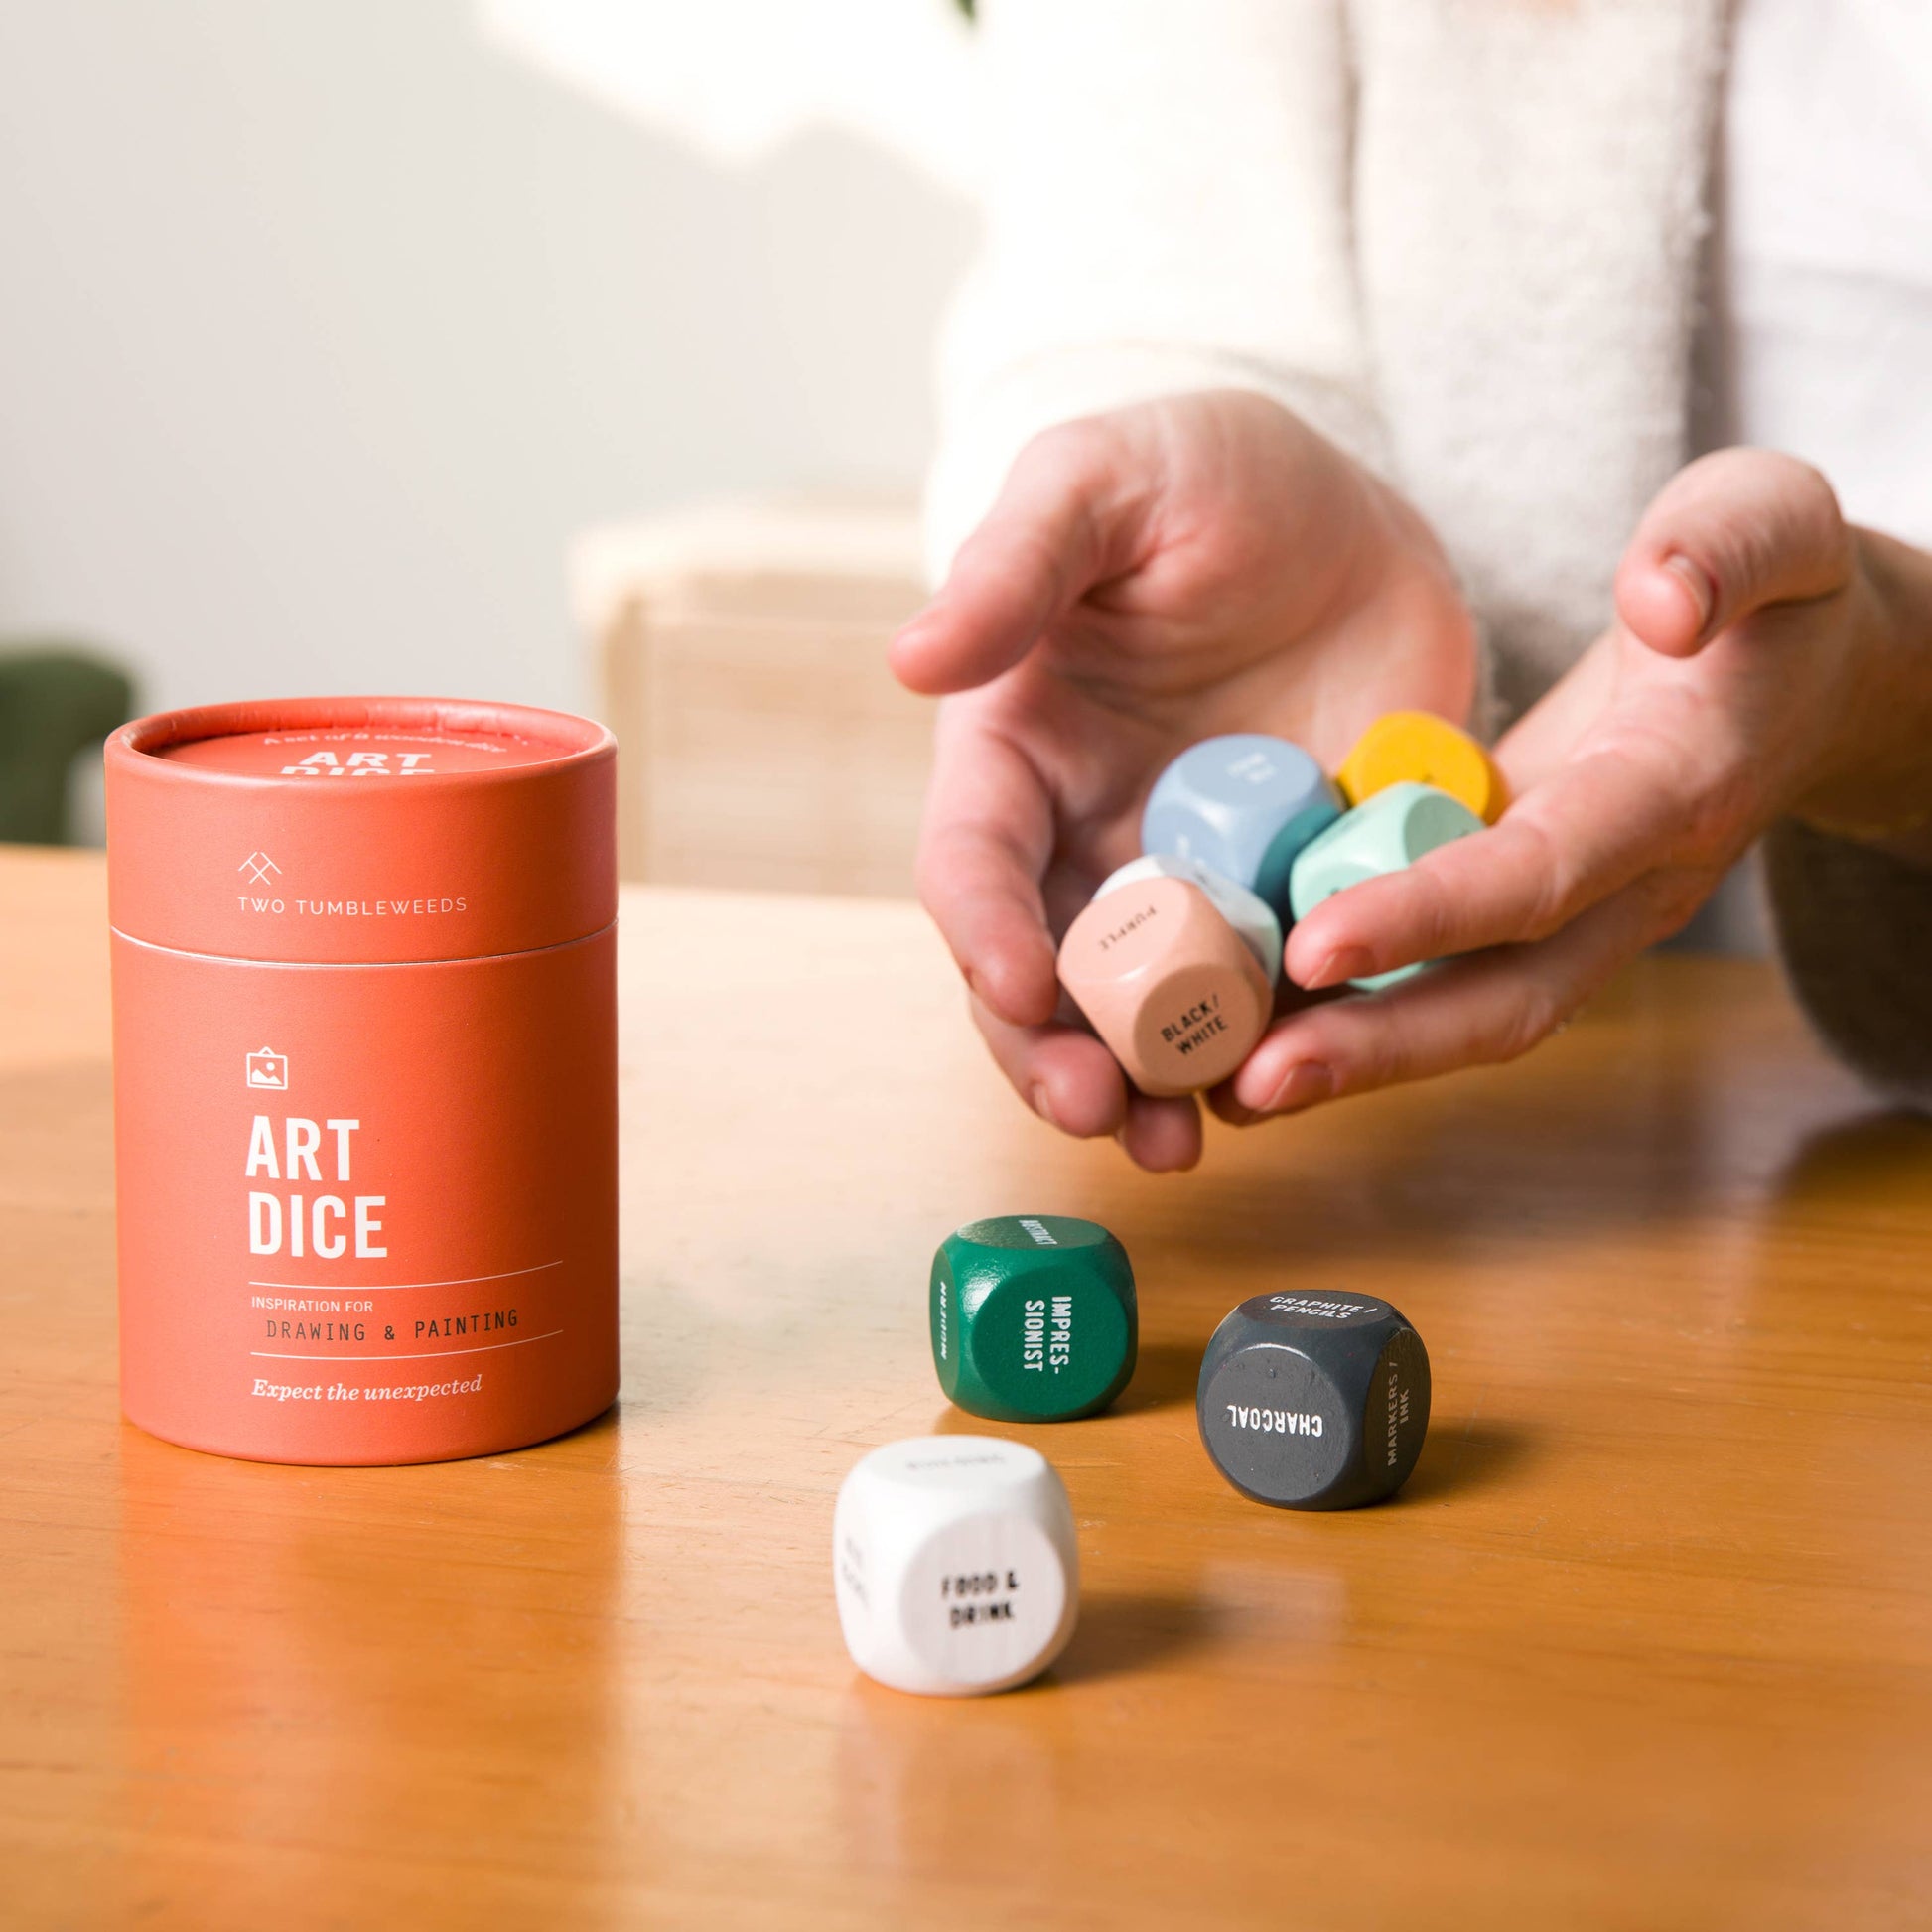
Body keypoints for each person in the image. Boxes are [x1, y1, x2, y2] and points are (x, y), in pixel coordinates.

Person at [891, 0, 1932, 1172]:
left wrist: (1897, 696)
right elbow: (1133, 232)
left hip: (1815, 1140)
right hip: (1511, 1150)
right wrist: (1138, 518)